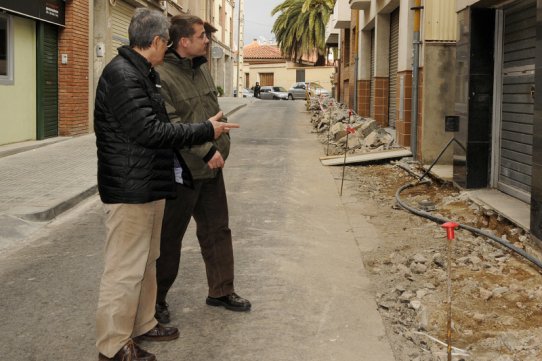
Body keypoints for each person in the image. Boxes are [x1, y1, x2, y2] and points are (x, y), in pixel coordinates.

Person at [94, 9, 239, 361]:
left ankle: (144, 323)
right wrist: (206, 131)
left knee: (146, 261)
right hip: (131, 188)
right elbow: (152, 131)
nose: (168, 49)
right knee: (124, 270)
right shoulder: (124, 75)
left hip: (149, 183)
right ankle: (113, 346)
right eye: (166, 43)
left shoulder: (141, 73)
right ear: (159, 41)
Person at [154, 14, 251, 325]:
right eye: (201, 36)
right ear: (184, 41)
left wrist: (218, 146)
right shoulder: (161, 76)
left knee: (217, 231)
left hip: (212, 168)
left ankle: (221, 290)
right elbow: (172, 125)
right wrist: (206, 149)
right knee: (169, 239)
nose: (207, 41)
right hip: (183, 170)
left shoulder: (202, 68)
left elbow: (212, 113)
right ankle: (155, 301)